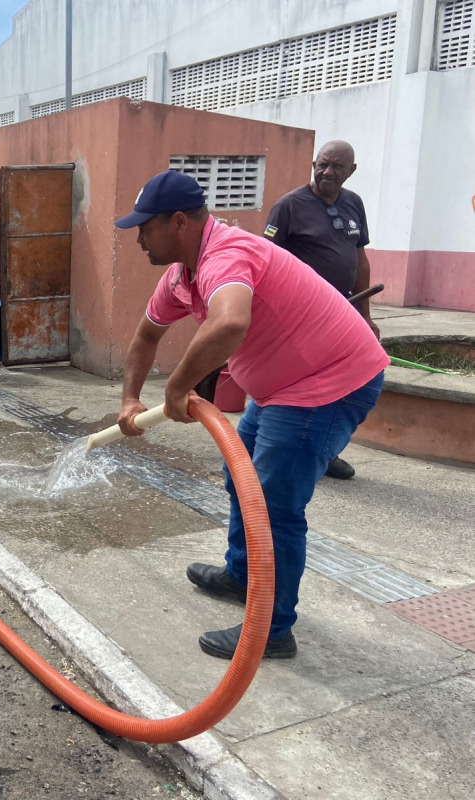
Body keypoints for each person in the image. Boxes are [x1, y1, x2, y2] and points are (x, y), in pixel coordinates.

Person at [114, 170, 388, 659]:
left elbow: (230, 322)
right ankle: (244, 575)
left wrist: (177, 388)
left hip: (327, 381)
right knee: (240, 477)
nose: (139, 240)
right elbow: (146, 335)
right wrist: (129, 400)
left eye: (145, 228)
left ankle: (271, 628)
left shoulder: (227, 255)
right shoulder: (182, 274)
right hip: (281, 384)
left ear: (178, 223)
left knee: (274, 503)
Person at [264, 140, 378, 480]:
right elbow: (265, 262)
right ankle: (284, 450)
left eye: (337, 167)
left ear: (351, 171)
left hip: (343, 313)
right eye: (322, 164)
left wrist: (366, 315)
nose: (328, 172)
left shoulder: (354, 203)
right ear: (314, 164)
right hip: (301, 318)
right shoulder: (288, 206)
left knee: (342, 384)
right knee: (300, 387)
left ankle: (324, 450)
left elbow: (359, 259)